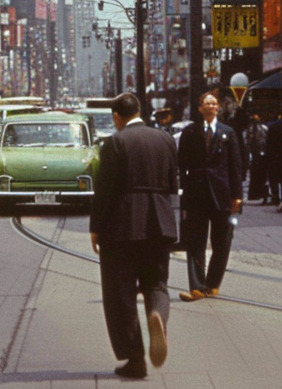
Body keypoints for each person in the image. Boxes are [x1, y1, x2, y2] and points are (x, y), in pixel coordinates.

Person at [89, 92, 178, 379]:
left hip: (123, 226)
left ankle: (135, 358)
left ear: (117, 116)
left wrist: (95, 226)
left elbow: (105, 190)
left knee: (120, 293)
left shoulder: (116, 142)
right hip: (160, 222)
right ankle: (158, 318)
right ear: (139, 110)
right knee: (158, 283)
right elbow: (173, 184)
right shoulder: (165, 139)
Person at [177, 90, 243, 302]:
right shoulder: (190, 132)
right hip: (196, 195)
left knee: (222, 241)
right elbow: (182, 165)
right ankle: (197, 286)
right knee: (195, 242)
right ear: (199, 108)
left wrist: (238, 195)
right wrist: (184, 192)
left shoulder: (228, 133)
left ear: (218, 108)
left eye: (214, 103)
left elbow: (235, 167)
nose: (211, 106)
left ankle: (213, 284)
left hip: (222, 195)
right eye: (206, 103)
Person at [245, 113, 269, 204]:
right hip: (256, 154)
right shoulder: (252, 129)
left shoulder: (262, 129)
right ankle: (256, 193)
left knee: (259, 175)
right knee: (256, 174)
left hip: (259, 154)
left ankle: (259, 193)